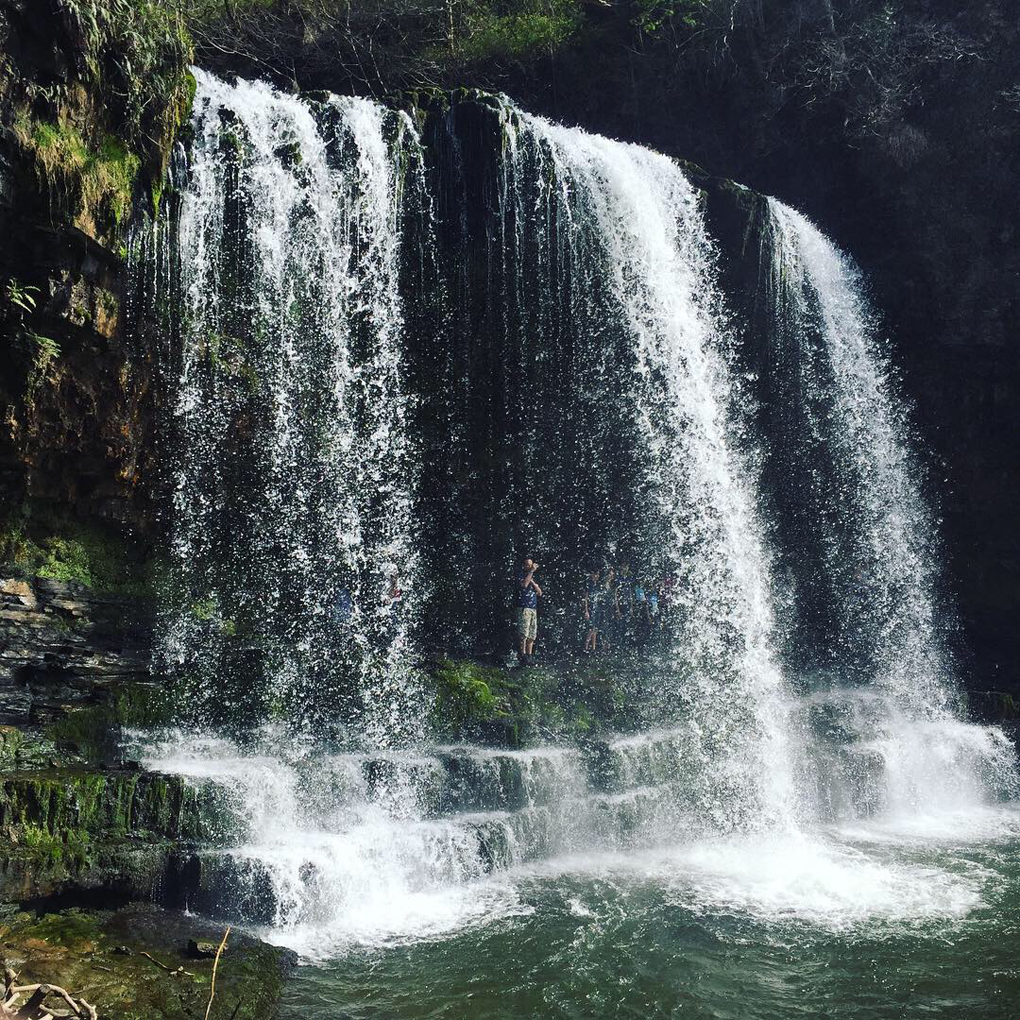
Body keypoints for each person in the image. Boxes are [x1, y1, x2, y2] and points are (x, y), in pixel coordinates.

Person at [516, 557, 542, 664]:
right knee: (524, 633)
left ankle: (529, 655)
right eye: (528, 565)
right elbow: (524, 585)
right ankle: (522, 655)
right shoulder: (521, 575)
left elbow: (540, 593)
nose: (530, 567)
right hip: (524, 607)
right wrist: (531, 572)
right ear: (524, 566)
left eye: (531, 565)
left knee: (532, 633)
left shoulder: (533, 577)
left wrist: (534, 583)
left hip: (533, 608)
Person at [582, 567, 601, 654]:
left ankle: (593, 648)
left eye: (598, 574)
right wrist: (586, 611)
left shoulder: (597, 585)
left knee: (595, 628)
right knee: (590, 628)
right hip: (590, 608)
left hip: (596, 608)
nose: (597, 576)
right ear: (592, 575)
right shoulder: (588, 584)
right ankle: (585, 647)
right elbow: (585, 598)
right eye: (596, 574)